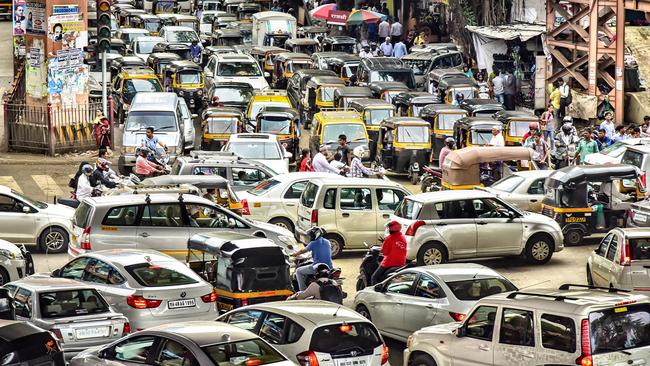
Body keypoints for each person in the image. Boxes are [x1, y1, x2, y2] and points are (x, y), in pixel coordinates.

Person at [371, 221, 407, 285]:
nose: (389, 229)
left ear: (392, 229)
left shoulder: (389, 238)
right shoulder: (403, 237)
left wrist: (384, 243)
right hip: (401, 263)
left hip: (389, 263)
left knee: (374, 277)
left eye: (389, 228)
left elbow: (384, 252)